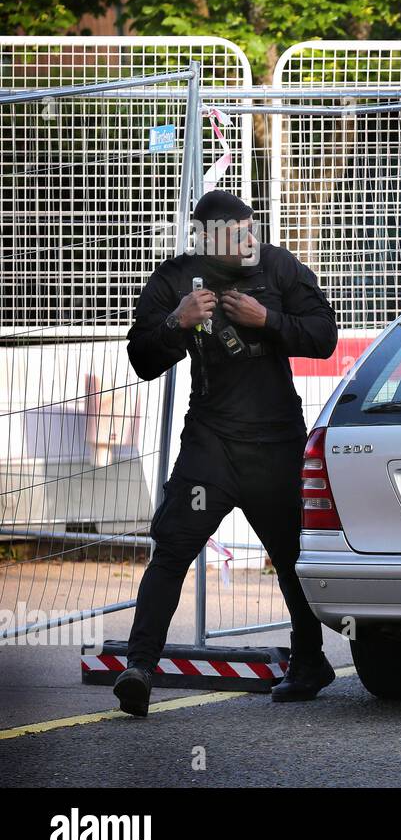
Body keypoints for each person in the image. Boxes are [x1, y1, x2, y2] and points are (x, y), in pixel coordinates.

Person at [113, 190, 338, 717]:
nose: (249, 240)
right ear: (207, 237)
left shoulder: (280, 267)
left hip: (276, 444)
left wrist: (269, 320)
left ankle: (310, 662)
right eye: (237, 234)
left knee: (290, 559)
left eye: (251, 229)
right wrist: (177, 321)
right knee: (172, 548)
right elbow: (141, 358)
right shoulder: (176, 278)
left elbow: (324, 336)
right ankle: (140, 668)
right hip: (211, 447)